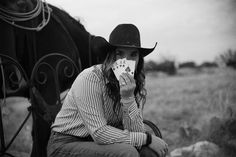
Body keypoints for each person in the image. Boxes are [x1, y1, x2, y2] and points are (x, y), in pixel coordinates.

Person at [47, 23, 168, 157]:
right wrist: (148, 139)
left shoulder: (134, 84)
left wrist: (128, 98)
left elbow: (136, 132)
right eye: (119, 53)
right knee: (128, 152)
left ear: (139, 59)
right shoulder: (91, 78)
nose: (126, 61)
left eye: (133, 55)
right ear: (110, 56)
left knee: (148, 152)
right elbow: (100, 133)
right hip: (66, 143)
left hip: (105, 142)